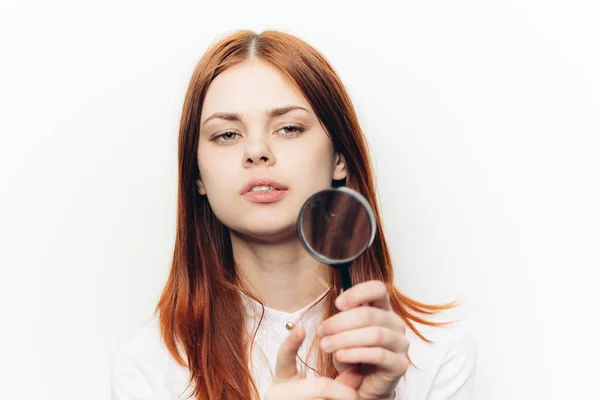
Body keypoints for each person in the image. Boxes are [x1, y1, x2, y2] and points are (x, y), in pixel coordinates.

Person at [110, 29, 477, 400]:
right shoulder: (149, 367)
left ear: (340, 158)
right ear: (197, 176)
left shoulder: (434, 352)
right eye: (226, 135)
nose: (256, 151)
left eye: (288, 128)